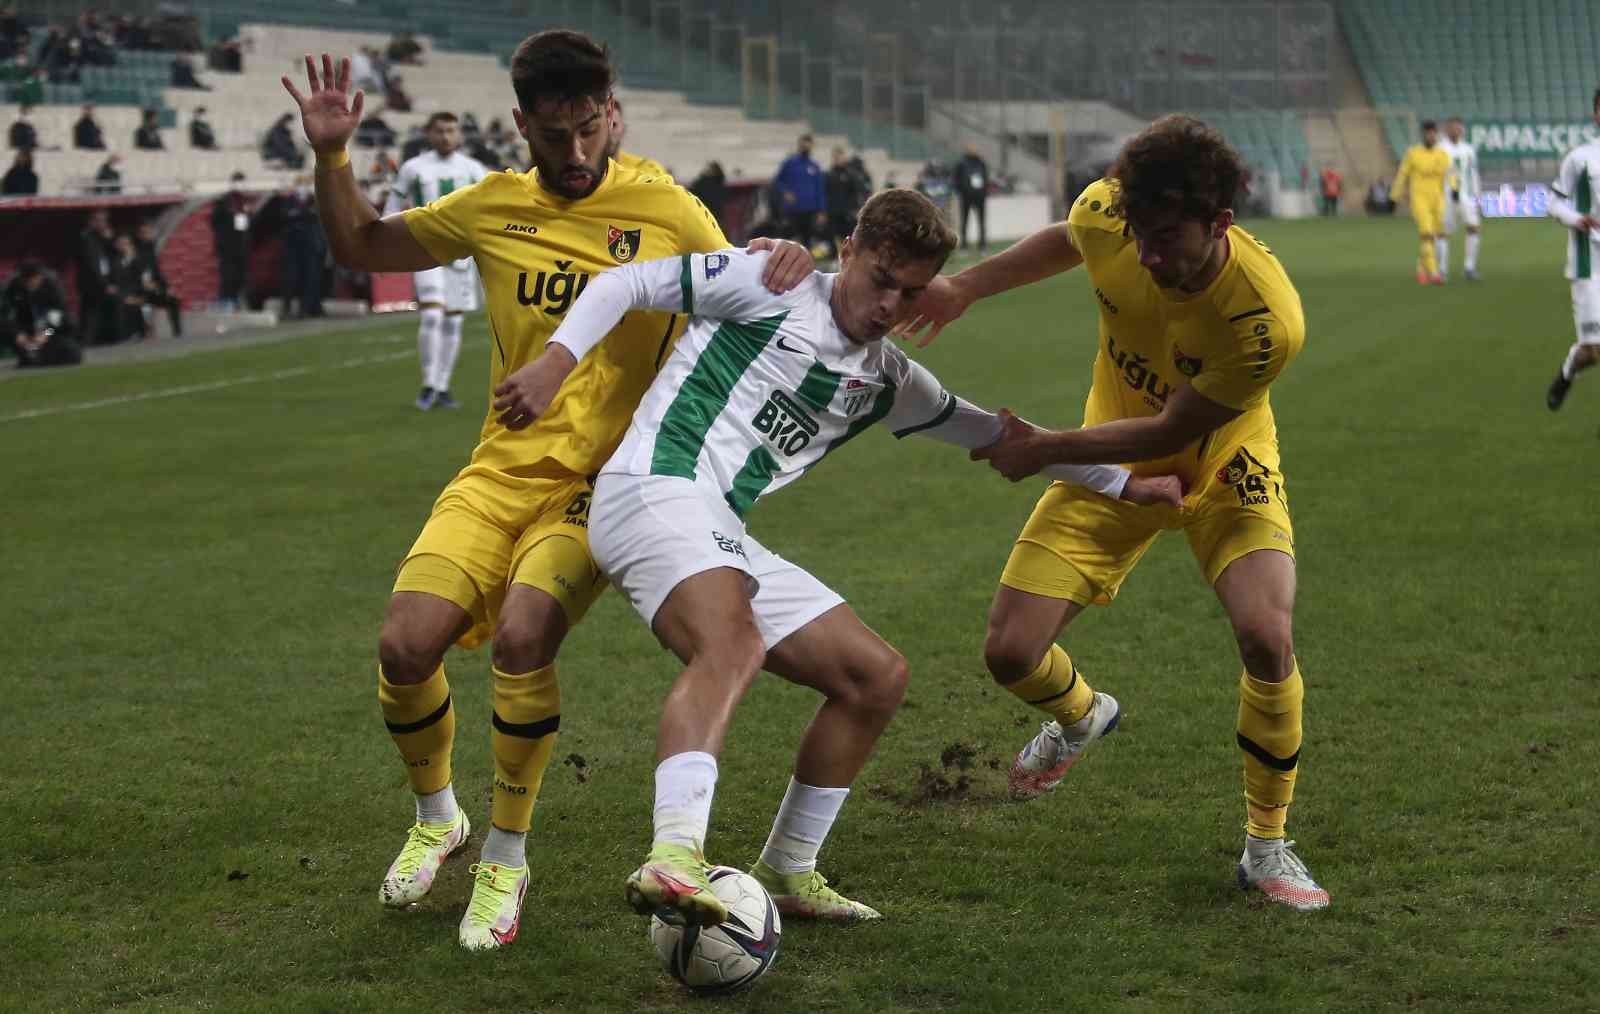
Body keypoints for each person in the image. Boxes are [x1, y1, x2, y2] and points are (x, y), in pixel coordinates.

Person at [494, 187, 1180, 928]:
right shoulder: (770, 282)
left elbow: (999, 436)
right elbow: (628, 281)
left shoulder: (887, 379)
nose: (890, 305)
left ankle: (788, 867)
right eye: (881, 279)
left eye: (912, 291)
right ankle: (673, 853)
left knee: (873, 677)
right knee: (732, 644)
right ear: (846, 253)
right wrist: (558, 360)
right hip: (652, 489)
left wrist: (1128, 485)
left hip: (716, 526)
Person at [280, 33, 812, 951]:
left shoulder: (665, 207)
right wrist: (332, 153)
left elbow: (747, 296)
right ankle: (438, 818)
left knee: (525, 636)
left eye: (590, 130)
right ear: (520, 124)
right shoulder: (492, 204)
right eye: (554, 135)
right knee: (406, 645)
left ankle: (505, 857)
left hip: (604, 484)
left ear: (613, 114)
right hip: (499, 469)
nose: (574, 156)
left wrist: (781, 255)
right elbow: (361, 244)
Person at [894, 114, 1329, 912]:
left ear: (1220, 223)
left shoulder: (1265, 321)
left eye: (1167, 237)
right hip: (1108, 471)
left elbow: (1172, 431)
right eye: (1140, 233)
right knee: (1009, 654)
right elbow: (1072, 235)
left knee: (1268, 637)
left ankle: (1267, 846)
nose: (1149, 255)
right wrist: (963, 286)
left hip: (1222, 471)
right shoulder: (1111, 215)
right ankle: (1083, 715)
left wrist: (1045, 446)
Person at [381, 111, 489, 410]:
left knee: (453, 321)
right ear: (428, 133)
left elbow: (491, 207)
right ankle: (429, 384)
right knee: (431, 314)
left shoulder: (473, 169)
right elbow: (392, 207)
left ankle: (442, 387)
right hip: (424, 250)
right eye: (440, 130)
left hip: (462, 256)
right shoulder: (414, 168)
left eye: (451, 130)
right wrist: (382, 246)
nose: (446, 136)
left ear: (459, 135)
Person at [1544, 88, 1600, 411]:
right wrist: (1579, 219)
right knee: (1593, 350)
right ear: (1596, 115)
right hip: (1587, 263)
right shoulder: (1580, 158)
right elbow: (1552, 203)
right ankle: (1567, 372)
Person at [1391, 120, 1450, 285]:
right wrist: (1394, 196)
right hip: (1419, 199)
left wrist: (1455, 189)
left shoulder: (1442, 154)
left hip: (1438, 200)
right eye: (1428, 133)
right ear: (1423, 135)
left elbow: (1450, 173)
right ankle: (1434, 273)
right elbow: (1403, 174)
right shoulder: (1413, 153)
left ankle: (1422, 268)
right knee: (1426, 234)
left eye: (1433, 133)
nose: (1431, 136)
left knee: (1437, 237)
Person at [3, 261, 81, 367]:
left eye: (34, 280)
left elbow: (57, 318)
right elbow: (8, 316)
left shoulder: (52, 287)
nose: (30, 283)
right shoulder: (13, 288)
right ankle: (29, 356)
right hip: (26, 332)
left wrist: (45, 334)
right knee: (29, 354)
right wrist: (17, 334)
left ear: (40, 277)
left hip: (51, 331)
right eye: (27, 281)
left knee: (73, 354)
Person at [1437, 116, 1482, 282]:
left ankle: (1469, 268)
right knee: (1442, 233)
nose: (1455, 130)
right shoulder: (1440, 148)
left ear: (1462, 130)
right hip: (1445, 196)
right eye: (1452, 127)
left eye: (1458, 127)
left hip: (1466, 196)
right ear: (1447, 129)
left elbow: (1474, 173)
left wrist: (1477, 195)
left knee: (1473, 227)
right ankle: (1441, 270)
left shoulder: (1469, 149)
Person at [279, 179, 326, 319]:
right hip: (293, 246)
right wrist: (302, 215)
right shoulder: (289, 201)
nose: (303, 188)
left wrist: (299, 215)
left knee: (310, 278)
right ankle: (287, 307)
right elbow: (285, 216)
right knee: (291, 277)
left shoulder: (314, 200)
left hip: (310, 246)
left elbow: (315, 216)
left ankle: (306, 308)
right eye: (301, 185)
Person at [773, 133, 826, 252]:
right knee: (790, 240)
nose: (805, 146)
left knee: (808, 241)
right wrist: (785, 192)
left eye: (808, 144)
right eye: (803, 144)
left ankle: (806, 266)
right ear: (799, 145)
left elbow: (819, 189)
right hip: (793, 209)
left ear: (812, 146)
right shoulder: (789, 163)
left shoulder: (815, 166)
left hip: (810, 210)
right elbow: (777, 181)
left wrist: (821, 210)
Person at [133, 220, 183, 337]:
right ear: (139, 234)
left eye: (149, 232)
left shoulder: (151, 250)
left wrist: (167, 288)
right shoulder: (137, 251)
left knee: (172, 300)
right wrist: (147, 285)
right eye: (144, 232)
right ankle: (145, 334)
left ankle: (178, 334)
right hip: (139, 290)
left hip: (152, 290)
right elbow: (137, 274)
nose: (148, 235)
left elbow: (157, 273)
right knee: (144, 306)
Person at [75, 208, 117, 343]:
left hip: (99, 283)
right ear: (91, 221)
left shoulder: (99, 238)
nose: (104, 224)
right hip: (92, 284)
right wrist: (105, 284)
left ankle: (95, 340)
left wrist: (109, 241)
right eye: (100, 220)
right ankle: (87, 342)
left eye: (105, 220)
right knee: (90, 314)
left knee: (95, 313)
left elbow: (109, 258)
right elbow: (93, 265)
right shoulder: (87, 238)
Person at [211, 172, 250, 309]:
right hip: (226, 245)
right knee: (227, 274)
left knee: (239, 275)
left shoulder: (244, 201)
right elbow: (214, 221)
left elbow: (243, 225)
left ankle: (236, 299)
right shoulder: (224, 201)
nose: (240, 185)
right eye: (238, 182)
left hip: (240, 245)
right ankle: (226, 300)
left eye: (242, 182)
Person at [605, 98, 668, 178]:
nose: (608, 132)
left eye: (614, 125)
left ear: (623, 129)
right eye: (603, 126)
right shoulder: (586, 173)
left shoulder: (648, 170)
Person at [108, 232, 148, 340]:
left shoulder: (137, 260)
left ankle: (142, 333)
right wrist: (126, 297)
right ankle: (123, 337)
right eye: (122, 244)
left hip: (136, 293)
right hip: (121, 294)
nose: (124, 246)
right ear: (116, 245)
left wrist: (133, 259)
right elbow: (115, 283)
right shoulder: (113, 261)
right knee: (122, 304)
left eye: (127, 244)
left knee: (141, 303)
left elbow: (142, 280)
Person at [953, 144, 990, 253]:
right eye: (972, 149)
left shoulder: (981, 163)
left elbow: (986, 178)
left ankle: (982, 245)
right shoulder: (961, 163)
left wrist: (984, 192)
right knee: (964, 221)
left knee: (982, 221)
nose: (974, 151)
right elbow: (956, 179)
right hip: (966, 197)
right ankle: (964, 246)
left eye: (975, 149)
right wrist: (962, 191)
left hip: (980, 197)